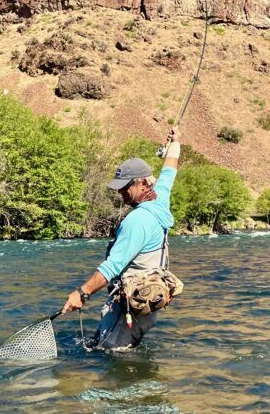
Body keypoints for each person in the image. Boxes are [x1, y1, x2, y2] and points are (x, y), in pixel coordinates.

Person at [61, 127, 182, 350]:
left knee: (111, 354)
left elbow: (112, 267)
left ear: (143, 183)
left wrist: (81, 293)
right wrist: (175, 144)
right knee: (124, 356)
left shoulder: (137, 221)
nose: (121, 193)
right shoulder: (160, 199)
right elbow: (169, 171)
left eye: (126, 187)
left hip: (128, 308)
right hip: (146, 306)